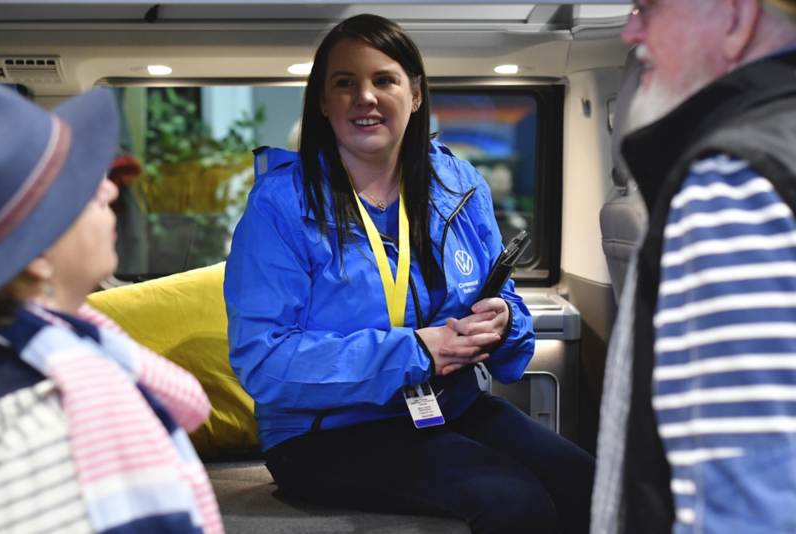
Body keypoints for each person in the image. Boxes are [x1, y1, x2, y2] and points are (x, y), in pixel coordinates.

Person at [225, 13, 594, 534]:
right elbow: (263, 360)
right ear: (323, 102)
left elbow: (508, 313)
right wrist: (416, 351)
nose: (365, 97)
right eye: (345, 83)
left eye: (384, 80)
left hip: (449, 406)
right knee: (515, 502)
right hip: (325, 431)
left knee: (591, 486)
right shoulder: (278, 207)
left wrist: (505, 323)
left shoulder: (459, 183)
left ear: (415, 95)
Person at [591, 1, 796, 533]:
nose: (630, 29)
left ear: (733, 17)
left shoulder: (733, 183)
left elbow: (749, 506)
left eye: (648, 7)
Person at [0, 86, 223, 534]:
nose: (106, 186)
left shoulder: (65, 345)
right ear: (38, 255)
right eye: (75, 188)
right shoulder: (38, 421)